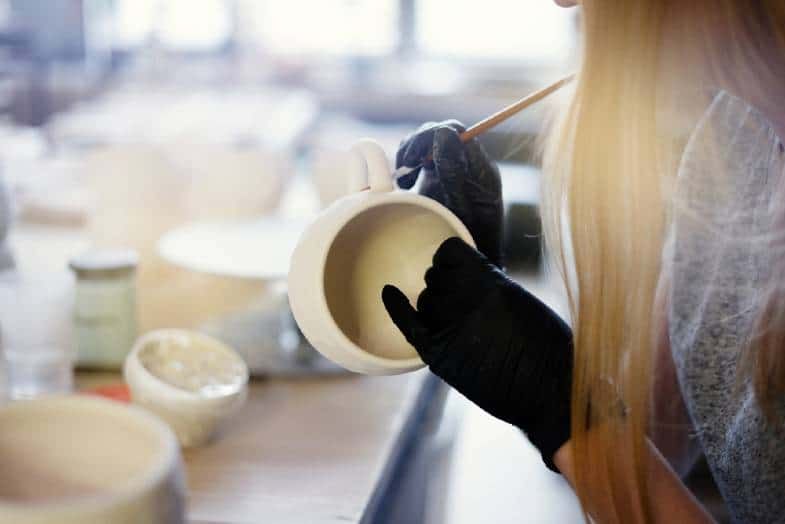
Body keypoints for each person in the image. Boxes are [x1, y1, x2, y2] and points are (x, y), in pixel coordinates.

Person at [382, 1, 785, 522]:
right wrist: (514, 339)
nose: (562, 1)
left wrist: (562, 411)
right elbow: (653, 437)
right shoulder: (732, 139)